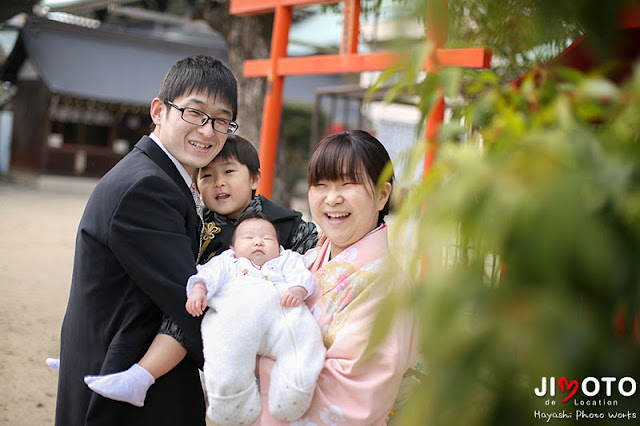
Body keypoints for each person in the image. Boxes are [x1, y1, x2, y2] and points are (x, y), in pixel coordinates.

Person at [54, 54, 238, 426]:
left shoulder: (157, 176)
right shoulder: (148, 187)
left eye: (221, 120)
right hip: (122, 382)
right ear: (159, 111)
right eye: (194, 113)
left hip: (115, 363)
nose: (207, 130)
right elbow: (188, 303)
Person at [85, 212, 325, 425]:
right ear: (232, 248)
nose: (258, 242)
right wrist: (199, 291)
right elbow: (206, 276)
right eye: (248, 238)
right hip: (238, 322)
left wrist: (298, 289)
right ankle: (232, 407)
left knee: (303, 342)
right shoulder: (227, 262)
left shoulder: (286, 259)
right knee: (225, 360)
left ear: (279, 246)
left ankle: (294, 392)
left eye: (267, 238)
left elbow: (302, 275)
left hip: (282, 317)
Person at [256, 130, 418, 425]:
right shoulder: (305, 262)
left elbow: (352, 398)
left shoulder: (388, 289)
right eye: (321, 185)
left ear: (383, 194)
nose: (332, 198)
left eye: (348, 184)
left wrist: (254, 360)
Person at [195, 134, 318, 262]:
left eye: (228, 171)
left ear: (254, 179)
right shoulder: (195, 223)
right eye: (207, 175)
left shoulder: (286, 224)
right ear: (196, 187)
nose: (218, 182)